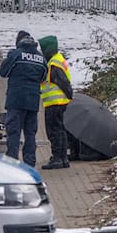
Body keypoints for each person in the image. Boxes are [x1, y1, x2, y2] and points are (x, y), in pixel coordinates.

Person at [0, 31, 47, 167]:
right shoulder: (41, 58)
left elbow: (3, 72)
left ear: (18, 42)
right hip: (33, 102)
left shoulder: (16, 55)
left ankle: (12, 163)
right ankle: (30, 163)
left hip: (16, 100)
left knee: (13, 132)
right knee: (30, 133)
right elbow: (43, 77)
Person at [39, 35, 74, 170]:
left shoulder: (53, 64)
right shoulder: (57, 60)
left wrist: (69, 94)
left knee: (53, 131)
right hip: (60, 102)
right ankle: (63, 157)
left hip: (55, 103)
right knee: (60, 130)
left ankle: (58, 158)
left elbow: (63, 81)